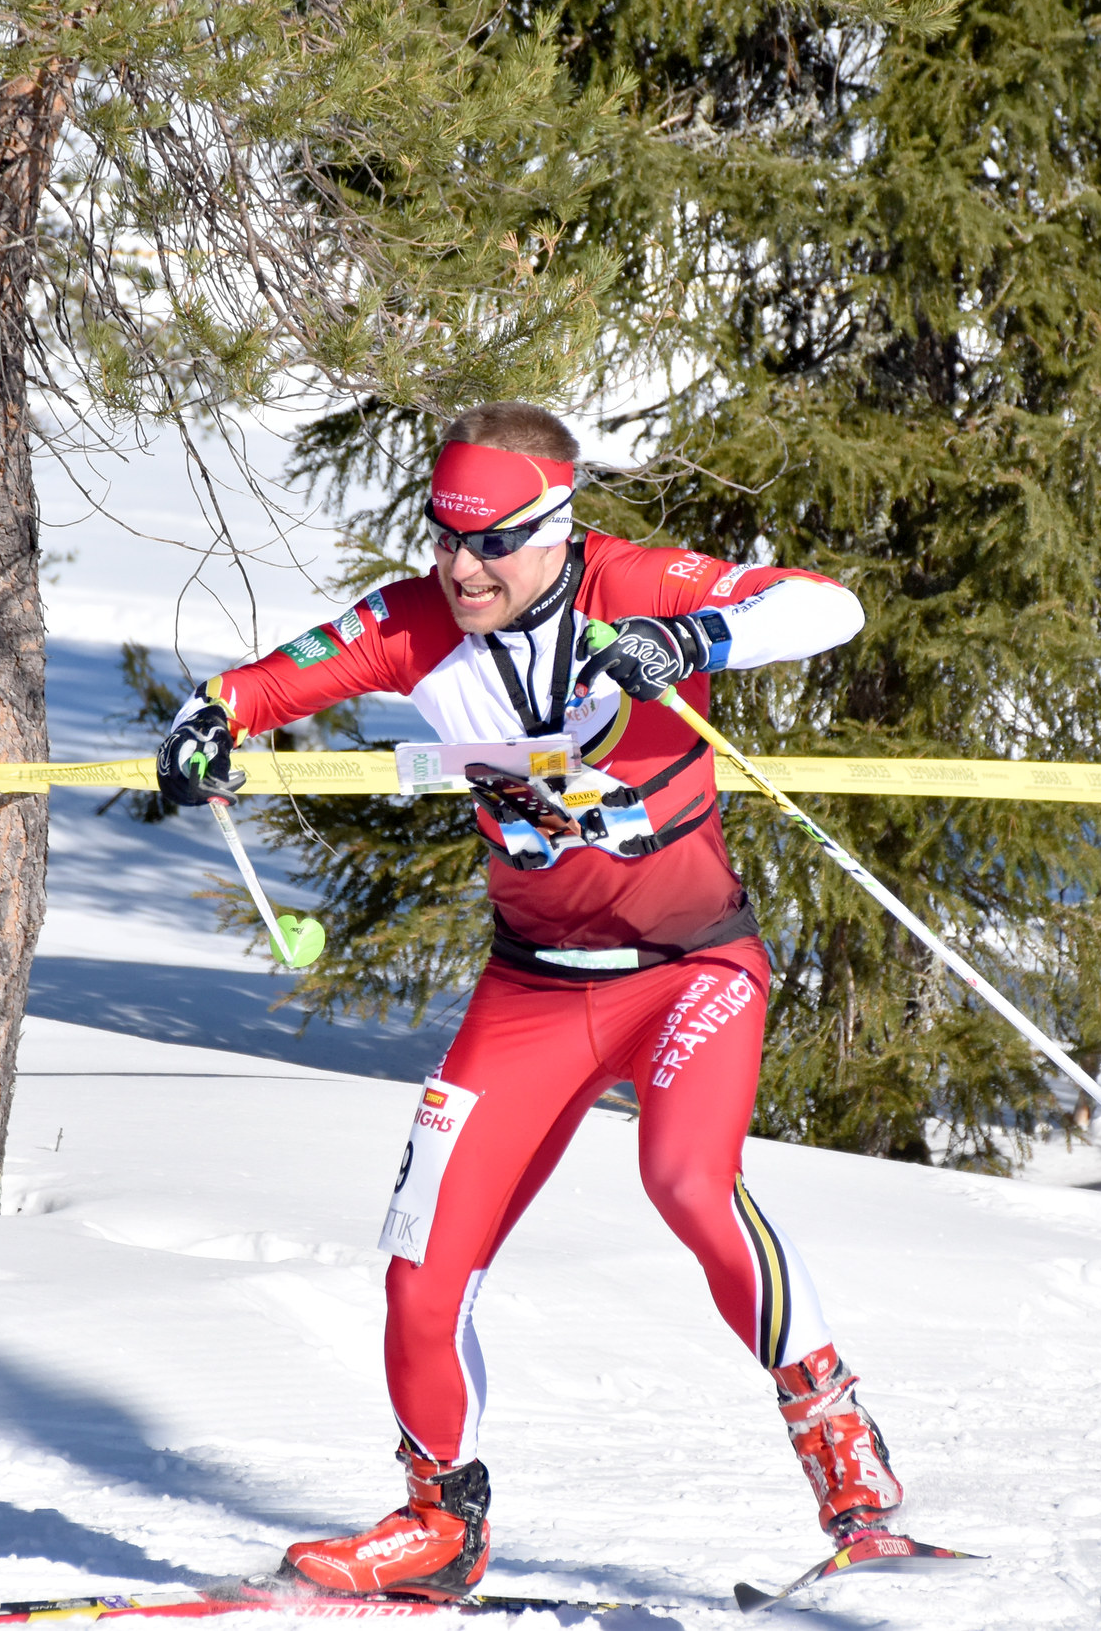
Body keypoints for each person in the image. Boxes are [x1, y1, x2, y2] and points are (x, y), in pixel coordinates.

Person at [153, 402, 902, 1600]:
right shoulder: (415, 621)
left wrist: (697, 637)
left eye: (491, 542)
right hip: (534, 987)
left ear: (555, 528)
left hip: (688, 967)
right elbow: (268, 683)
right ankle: (439, 1520)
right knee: (418, 1263)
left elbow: (826, 603)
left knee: (686, 1182)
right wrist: (206, 721)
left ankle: (849, 1474)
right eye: (444, 538)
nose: (460, 568)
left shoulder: (633, 583)